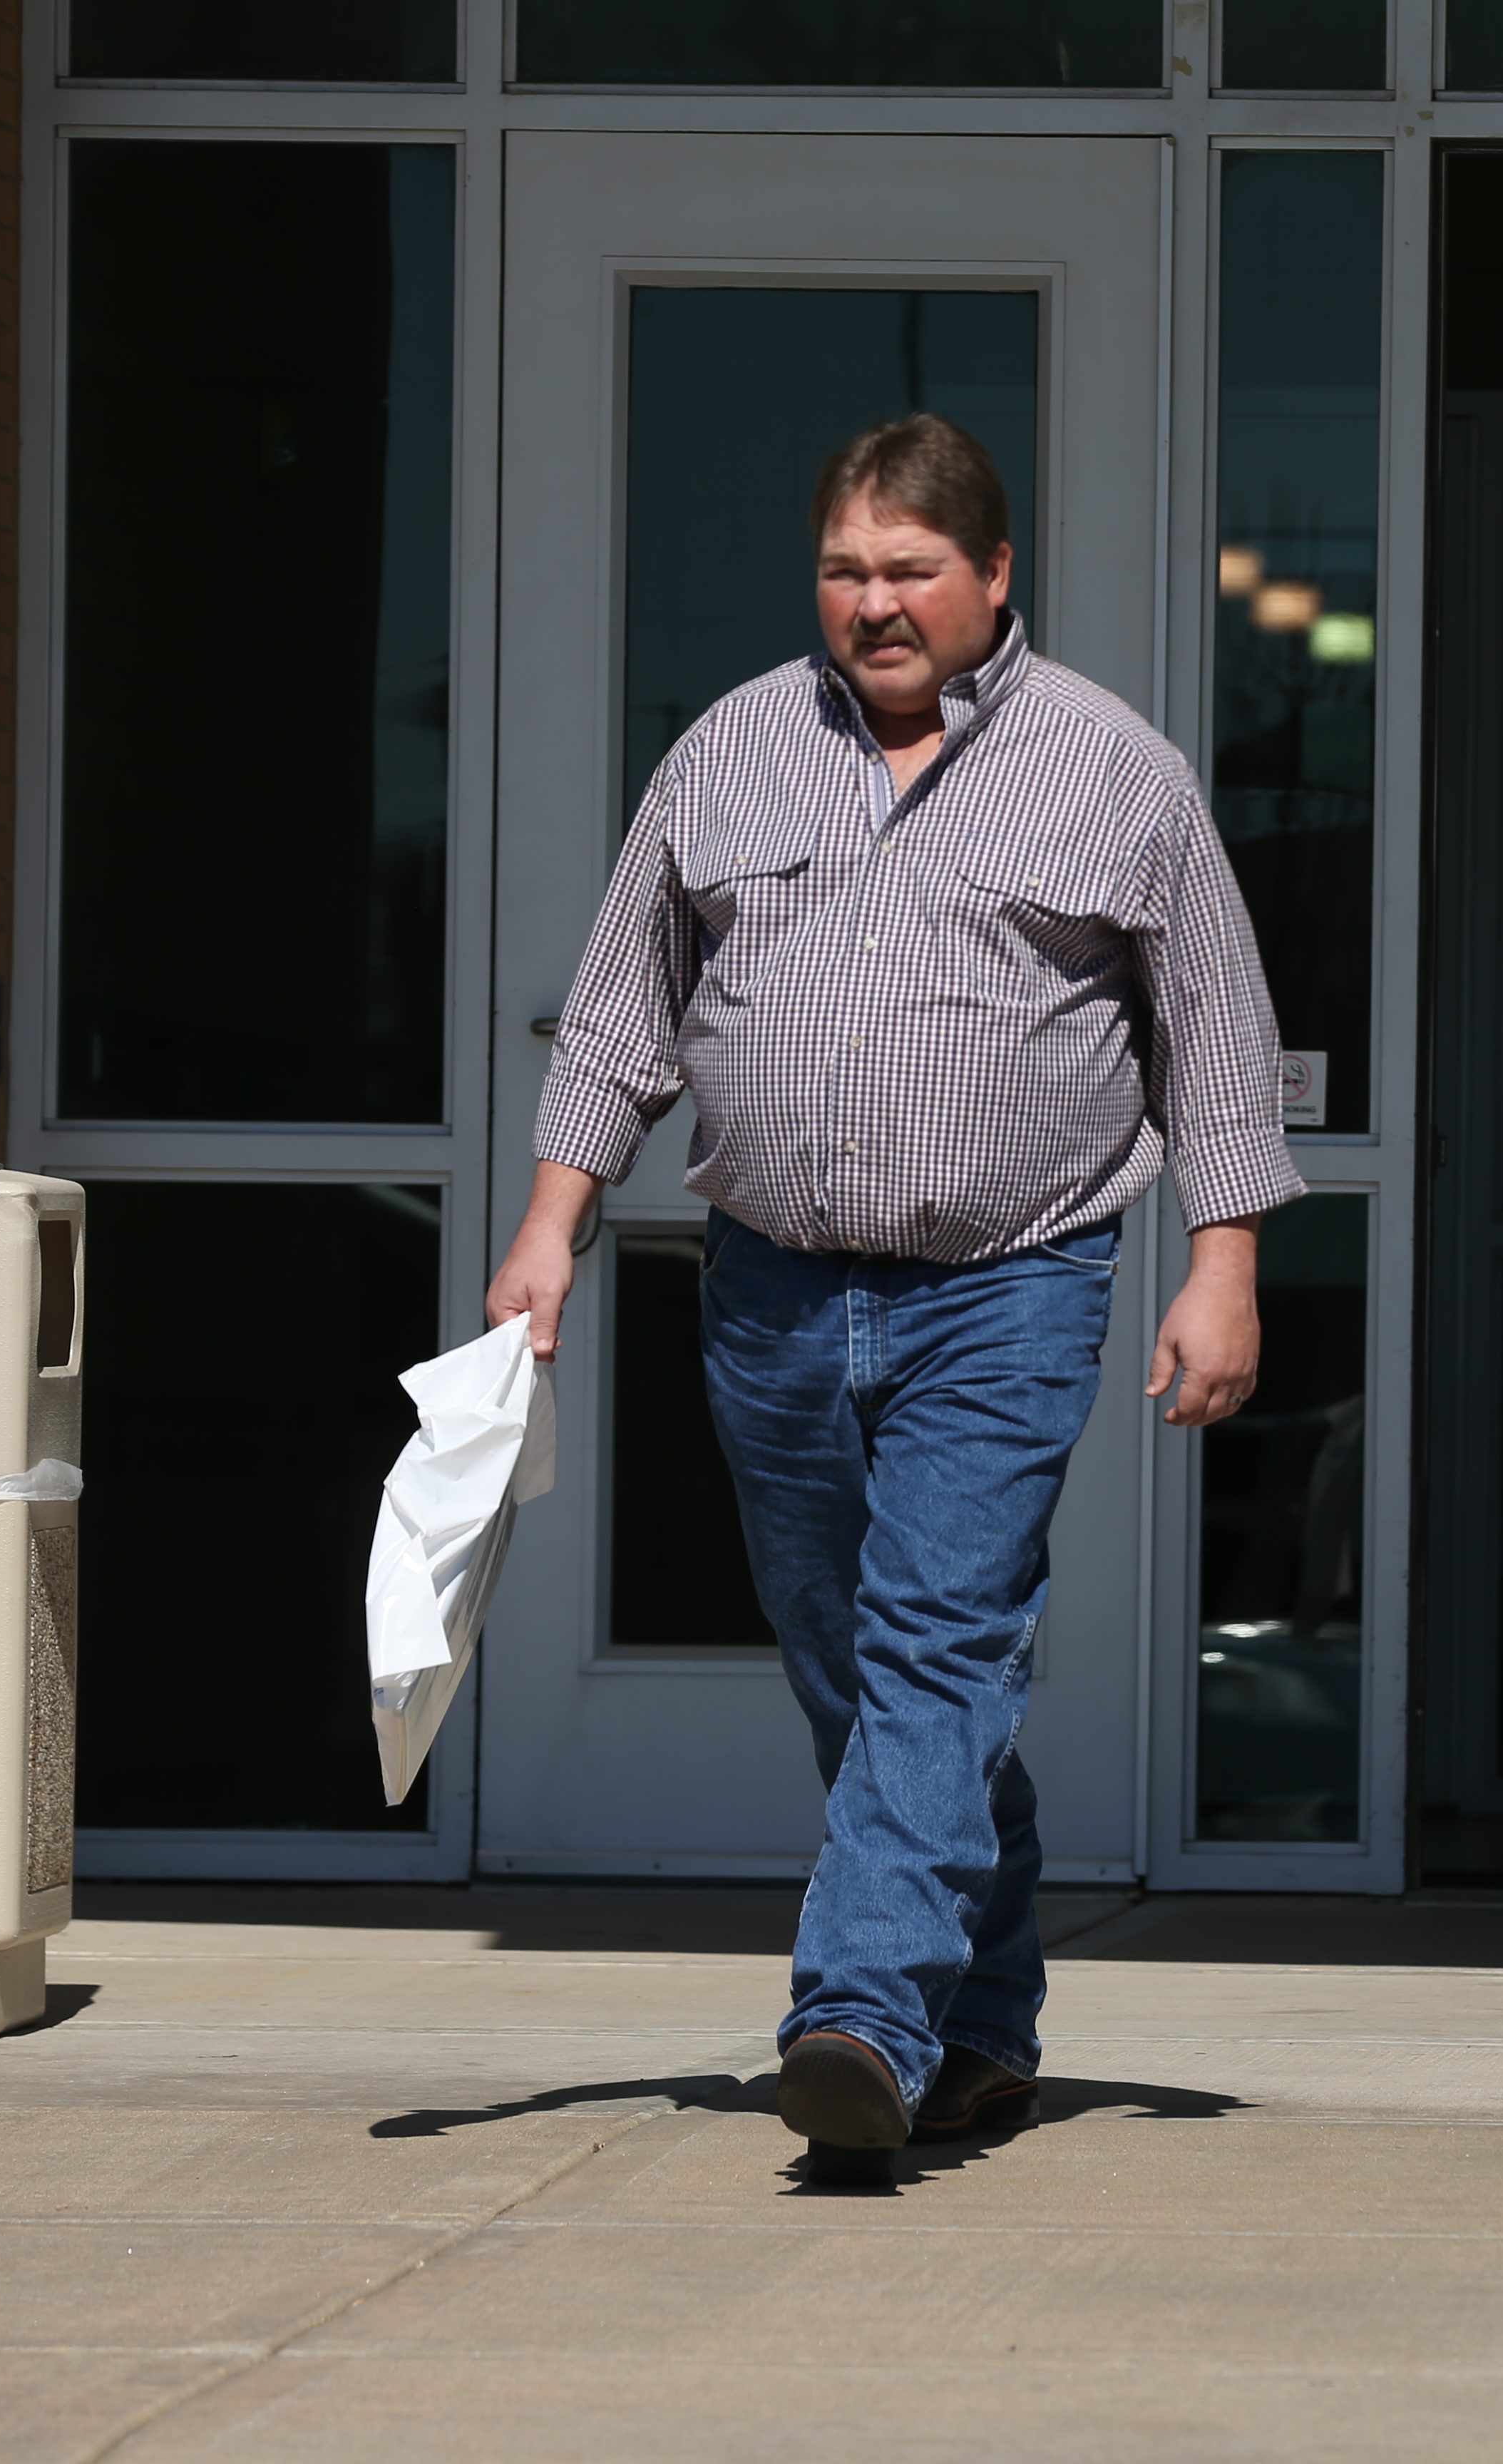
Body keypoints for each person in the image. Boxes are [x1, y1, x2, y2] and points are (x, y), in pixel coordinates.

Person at [486, 414, 1302, 2175]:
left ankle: (854, 2015)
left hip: (1007, 1290)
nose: (875, 606)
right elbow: (625, 1005)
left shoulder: (1115, 770)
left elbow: (1218, 1039)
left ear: (992, 577)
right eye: (847, 572)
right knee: (861, 1671)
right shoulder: (729, 752)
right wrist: (553, 1224)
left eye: (910, 572)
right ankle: (984, 2027)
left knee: (940, 1639)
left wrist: (1220, 1262)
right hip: (771, 1287)